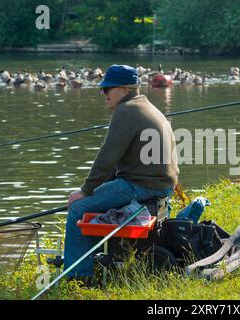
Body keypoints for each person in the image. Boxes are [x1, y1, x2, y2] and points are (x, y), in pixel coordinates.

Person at [64, 65, 179, 282]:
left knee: (78, 209)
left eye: (108, 88)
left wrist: (85, 190)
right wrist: (93, 191)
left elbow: (107, 156)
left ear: (125, 89)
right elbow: (115, 163)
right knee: (88, 202)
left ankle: (78, 278)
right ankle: (89, 261)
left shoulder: (125, 111)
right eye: (102, 88)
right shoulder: (144, 106)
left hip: (143, 184)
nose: (103, 93)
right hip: (159, 183)